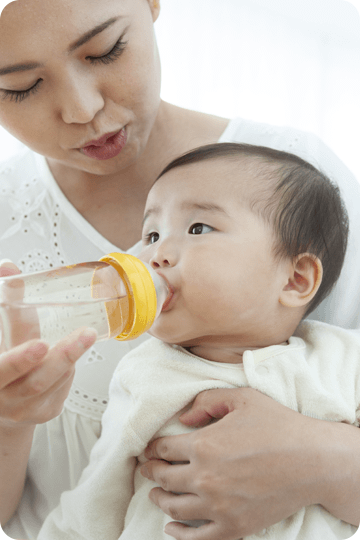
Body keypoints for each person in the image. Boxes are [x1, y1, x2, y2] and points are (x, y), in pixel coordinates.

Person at [0, 2, 360, 540]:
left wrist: (328, 461)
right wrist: (10, 420)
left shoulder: (296, 186)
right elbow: (92, 507)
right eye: (21, 86)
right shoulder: (147, 377)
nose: (82, 109)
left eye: (105, 51)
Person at [35, 142, 358, 540]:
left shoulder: (344, 360)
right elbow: (99, 495)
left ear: (295, 279)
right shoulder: (147, 373)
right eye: (152, 233)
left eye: (197, 228)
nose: (155, 254)